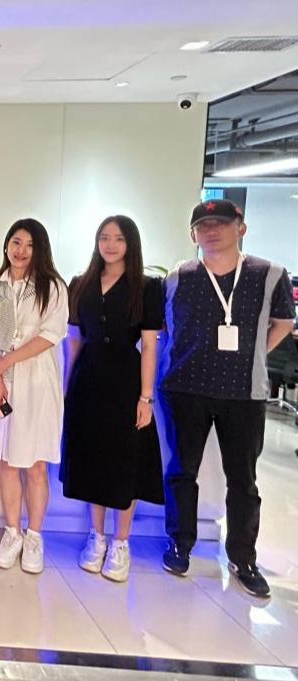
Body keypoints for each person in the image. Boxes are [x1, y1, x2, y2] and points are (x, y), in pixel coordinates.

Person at [160, 199, 294, 598]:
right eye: (204, 225)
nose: (212, 231)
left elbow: (283, 322)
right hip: (186, 388)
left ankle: (243, 558)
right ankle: (179, 545)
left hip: (244, 393)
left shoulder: (269, 274)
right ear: (193, 234)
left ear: (241, 227)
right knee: (182, 470)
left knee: (243, 479)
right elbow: (167, 328)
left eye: (221, 223)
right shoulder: (178, 276)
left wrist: (255, 356)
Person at [61, 215, 163, 583]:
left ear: (130, 243)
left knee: (124, 460)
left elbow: (148, 346)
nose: (110, 244)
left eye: (118, 238)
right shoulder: (81, 284)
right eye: (104, 237)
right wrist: (68, 388)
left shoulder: (146, 287)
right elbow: (74, 340)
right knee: (93, 458)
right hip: (88, 377)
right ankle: (97, 536)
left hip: (125, 380)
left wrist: (146, 397)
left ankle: (121, 542)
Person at [0, 218, 68, 574]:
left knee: (35, 463)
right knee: (8, 461)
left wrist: (5, 363)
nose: (21, 250)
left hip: (35, 381)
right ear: (6, 245)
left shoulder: (52, 287)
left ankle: (34, 536)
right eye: (16, 242)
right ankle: (12, 532)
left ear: (40, 249)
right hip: (0, 380)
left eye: (29, 245)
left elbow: (49, 336)